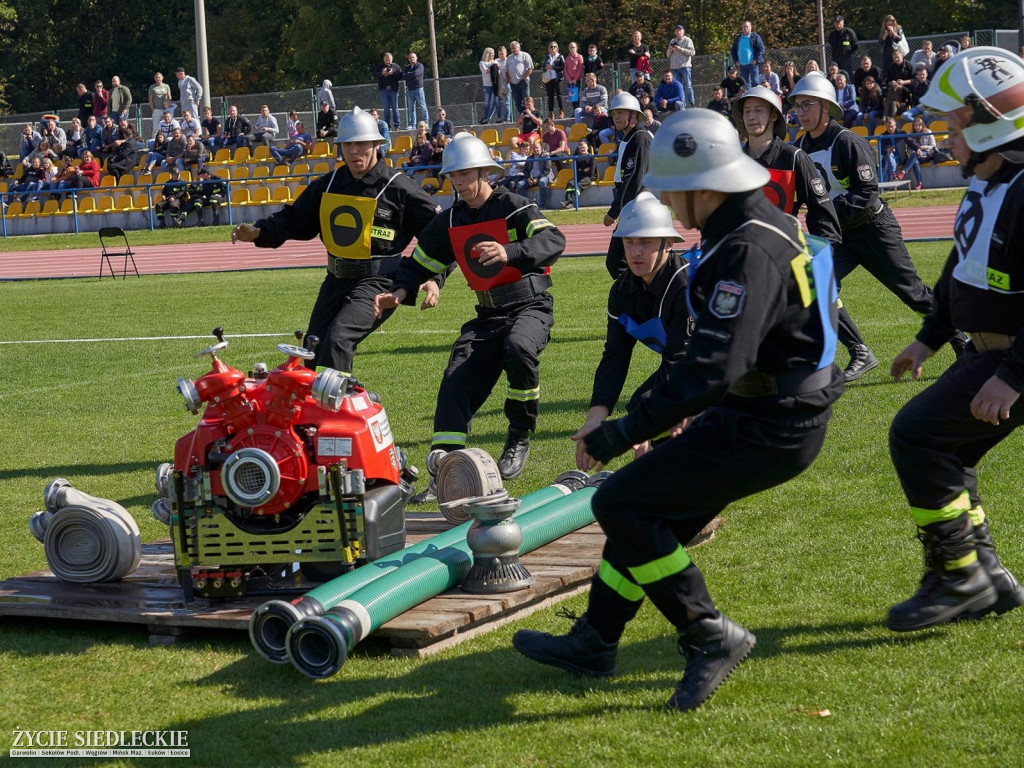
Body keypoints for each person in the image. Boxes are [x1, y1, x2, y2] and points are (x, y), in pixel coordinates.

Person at [513, 108, 842, 712]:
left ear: (708, 183)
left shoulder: (747, 248)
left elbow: (710, 370)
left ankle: (708, 635)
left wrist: (620, 432)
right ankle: (596, 639)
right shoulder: (757, 225)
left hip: (774, 420)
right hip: (774, 408)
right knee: (645, 510)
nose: (665, 198)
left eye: (672, 186)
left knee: (620, 501)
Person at [886, 46, 1024, 632]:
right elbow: (959, 271)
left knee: (917, 436)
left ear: (989, 124)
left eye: (954, 124)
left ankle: (960, 577)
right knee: (949, 450)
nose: (946, 137)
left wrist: (1013, 376)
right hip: (990, 353)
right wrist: (928, 338)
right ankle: (985, 576)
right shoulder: (986, 182)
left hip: (1014, 360)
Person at [373, 133, 565, 494]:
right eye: (453, 176)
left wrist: (511, 251)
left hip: (531, 306)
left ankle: (519, 435)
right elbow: (420, 264)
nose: (458, 182)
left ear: (483, 172)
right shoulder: (448, 221)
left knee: (519, 348)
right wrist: (400, 292)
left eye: (464, 174)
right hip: (487, 315)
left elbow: (554, 240)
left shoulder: (515, 206)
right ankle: (445, 470)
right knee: (455, 379)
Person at [231, 106, 442, 376]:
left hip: (381, 281)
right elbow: (294, 219)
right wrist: (259, 232)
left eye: (362, 144)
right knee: (311, 351)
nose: (355, 151)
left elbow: (440, 234)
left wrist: (434, 278)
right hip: (335, 280)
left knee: (338, 339)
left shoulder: (400, 187)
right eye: (348, 144)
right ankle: (315, 413)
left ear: (377, 144)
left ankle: (336, 411)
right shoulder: (327, 185)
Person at [791, 72, 964, 381]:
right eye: (797, 106)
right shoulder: (799, 146)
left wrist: (828, 210)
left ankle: (961, 339)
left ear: (827, 107)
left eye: (807, 104)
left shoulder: (847, 141)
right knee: (816, 286)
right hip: (838, 235)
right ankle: (860, 351)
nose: (800, 112)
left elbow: (868, 193)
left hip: (873, 228)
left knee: (912, 293)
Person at [575, 190, 691, 463]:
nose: (636, 252)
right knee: (644, 406)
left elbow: (680, 363)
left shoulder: (685, 288)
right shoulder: (621, 291)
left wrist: (642, 423)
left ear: (669, 243)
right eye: (629, 242)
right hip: (689, 367)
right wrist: (596, 416)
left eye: (646, 242)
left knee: (653, 406)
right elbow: (615, 355)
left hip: (730, 372)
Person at [732, 85, 841, 248]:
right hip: (742, 254)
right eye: (747, 111)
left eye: (758, 110)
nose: (751, 116)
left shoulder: (793, 158)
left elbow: (820, 210)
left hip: (783, 255)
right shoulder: (733, 162)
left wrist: (825, 249)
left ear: (774, 115)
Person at [603, 93, 653, 279]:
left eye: (621, 113)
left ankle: (638, 300)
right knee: (621, 263)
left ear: (634, 115)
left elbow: (634, 181)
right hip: (632, 209)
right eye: (614, 113)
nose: (616, 117)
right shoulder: (630, 138)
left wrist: (614, 212)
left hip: (638, 209)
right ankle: (638, 301)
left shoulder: (640, 139)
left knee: (617, 262)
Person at [518, 139, 554, 208]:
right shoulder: (530, 158)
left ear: (540, 147)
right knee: (519, 184)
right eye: (534, 148)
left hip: (543, 176)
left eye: (537, 147)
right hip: (531, 177)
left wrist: (537, 179)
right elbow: (525, 170)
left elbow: (547, 170)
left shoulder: (545, 156)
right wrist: (528, 178)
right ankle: (526, 205)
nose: (535, 149)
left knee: (542, 182)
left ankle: (542, 205)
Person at [668, 25, 696, 109]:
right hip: (675, 67)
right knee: (678, 87)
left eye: (680, 30)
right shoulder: (672, 41)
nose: (678, 32)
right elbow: (668, 55)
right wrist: (670, 49)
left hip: (685, 66)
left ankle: (692, 103)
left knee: (688, 86)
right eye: (676, 30)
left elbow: (692, 52)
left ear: (683, 31)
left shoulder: (687, 40)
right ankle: (682, 105)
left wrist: (680, 49)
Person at [563, 139, 597, 209]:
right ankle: (569, 203)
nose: (582, 149)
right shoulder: (577, 158)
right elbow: (576, 170)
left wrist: (581, 170)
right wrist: (584, 170)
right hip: (579, 176)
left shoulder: (592, 158)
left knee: (577, 185)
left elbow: (590, 172)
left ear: (587, 148)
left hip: (589, 177)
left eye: (583, 148)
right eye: (580, 148)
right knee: (570, 183)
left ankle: (568, 201)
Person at [731, 20, 765, 87]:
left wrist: (756, 59)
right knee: (745, 84)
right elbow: (733, 51)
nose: (745, 28)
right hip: (742, 65)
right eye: (743, 27)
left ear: (750, 27)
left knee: (755, 82)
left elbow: (761, 48)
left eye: (746, 26)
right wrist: (736, 61)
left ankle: (755, 96)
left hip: (752, 64)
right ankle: (748, 97)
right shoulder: (738, 38)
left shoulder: (755, 37)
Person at [506, 41, 534, 117]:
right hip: (513, 83)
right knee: (517, 102)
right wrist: (508, 79)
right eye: (511, 48)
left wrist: (524, 77)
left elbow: (530, 68)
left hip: (523, 81)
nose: (513, 50)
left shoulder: (525, 55)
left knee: (526, 100)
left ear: (519, 47)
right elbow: (506, 70)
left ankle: (530, 115)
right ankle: (523, 115)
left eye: (514, 48)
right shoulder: (509, 57)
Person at [375, 53, 402, 130]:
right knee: (386, 109)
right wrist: (382, 73)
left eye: (389, 60)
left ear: (392, 59)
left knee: (395, 108)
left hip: (394, 90)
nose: (388, 61)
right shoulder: (380, 67)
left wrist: (393, 73)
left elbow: (401, 76)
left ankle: (397, 126)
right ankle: (387, 126)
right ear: (384, 59)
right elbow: (375, 75)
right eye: (386, 60)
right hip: (384, 90)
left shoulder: (396, 66)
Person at [404, 52, 429, 129]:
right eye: (410, 57)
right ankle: (412, 124)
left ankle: (426, 123)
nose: (412, 59)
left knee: (423, 106)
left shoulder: (419, 66)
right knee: (411, 108)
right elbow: (403, 75)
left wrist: (408, 75)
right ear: (408, 59)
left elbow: (416, 73)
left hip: (418, 89)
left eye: (413, 57)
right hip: (410, 90)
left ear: (416, 58)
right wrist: (409, 74)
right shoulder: (407, 67)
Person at [542, 41, 565, 119]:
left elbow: (563, 67)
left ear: (557, 48)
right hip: (549, 79)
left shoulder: (560, 56)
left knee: (559, 95)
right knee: (550, 96)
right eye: (551, 47)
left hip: (558, 78)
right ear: (549, 49)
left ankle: (561, 111)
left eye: (554, 46)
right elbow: (542, 68)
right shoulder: (547, 57)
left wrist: (553, 67)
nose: (553, 48)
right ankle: (551, 112)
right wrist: (546, 67)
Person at [148, 72, 174, 139]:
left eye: (159, 77)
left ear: (162, 78)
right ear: (154, 78)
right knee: (156, 128)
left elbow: (169, 97)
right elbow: (150, 99)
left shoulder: (166, 86)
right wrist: (153, 109)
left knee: (166, 126)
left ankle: (166, 140)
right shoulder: (152, 87)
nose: (158, 79)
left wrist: (168, 103)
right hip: (156, 109)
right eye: (156, 77)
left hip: (165, 110)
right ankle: (154, 141)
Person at [480, 48, 501, 124]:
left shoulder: (495, 62)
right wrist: (494, 66)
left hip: (495, 84)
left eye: (493, 54)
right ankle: (486, 117)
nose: (492, 55)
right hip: (487, 85)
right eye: (491, 54)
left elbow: (498, 70)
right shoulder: (482, 63)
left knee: (496, 101)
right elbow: (486, 71)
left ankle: (498, 116)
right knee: (487, 102)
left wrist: (495, 66)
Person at [563, 42, 585, 114]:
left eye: (573, 47)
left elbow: (580, 68)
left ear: (576, 48)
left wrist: (575, 79)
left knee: (577, 95)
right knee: (572, 97)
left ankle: (578, 111)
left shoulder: (579, 57)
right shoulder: (567, 58)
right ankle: (574, 111)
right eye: (570, 47)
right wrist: (569, 79)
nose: (572, 49)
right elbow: (565, 69)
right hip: (570, 81)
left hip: (577, 80)